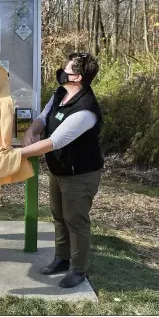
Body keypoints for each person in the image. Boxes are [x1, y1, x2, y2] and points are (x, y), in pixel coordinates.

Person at [21, 53, 103, 288]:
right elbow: (44, 117)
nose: (60, 71)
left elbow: (54, 142)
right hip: (59, 170)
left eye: (64, 68)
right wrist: (31, 131)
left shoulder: (85, 111)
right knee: (59, 216)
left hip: (81, 175)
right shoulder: (61, 94)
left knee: (75, 220)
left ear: (76, 77)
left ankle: (78, 269)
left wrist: (17, 155)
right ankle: (62, 259)